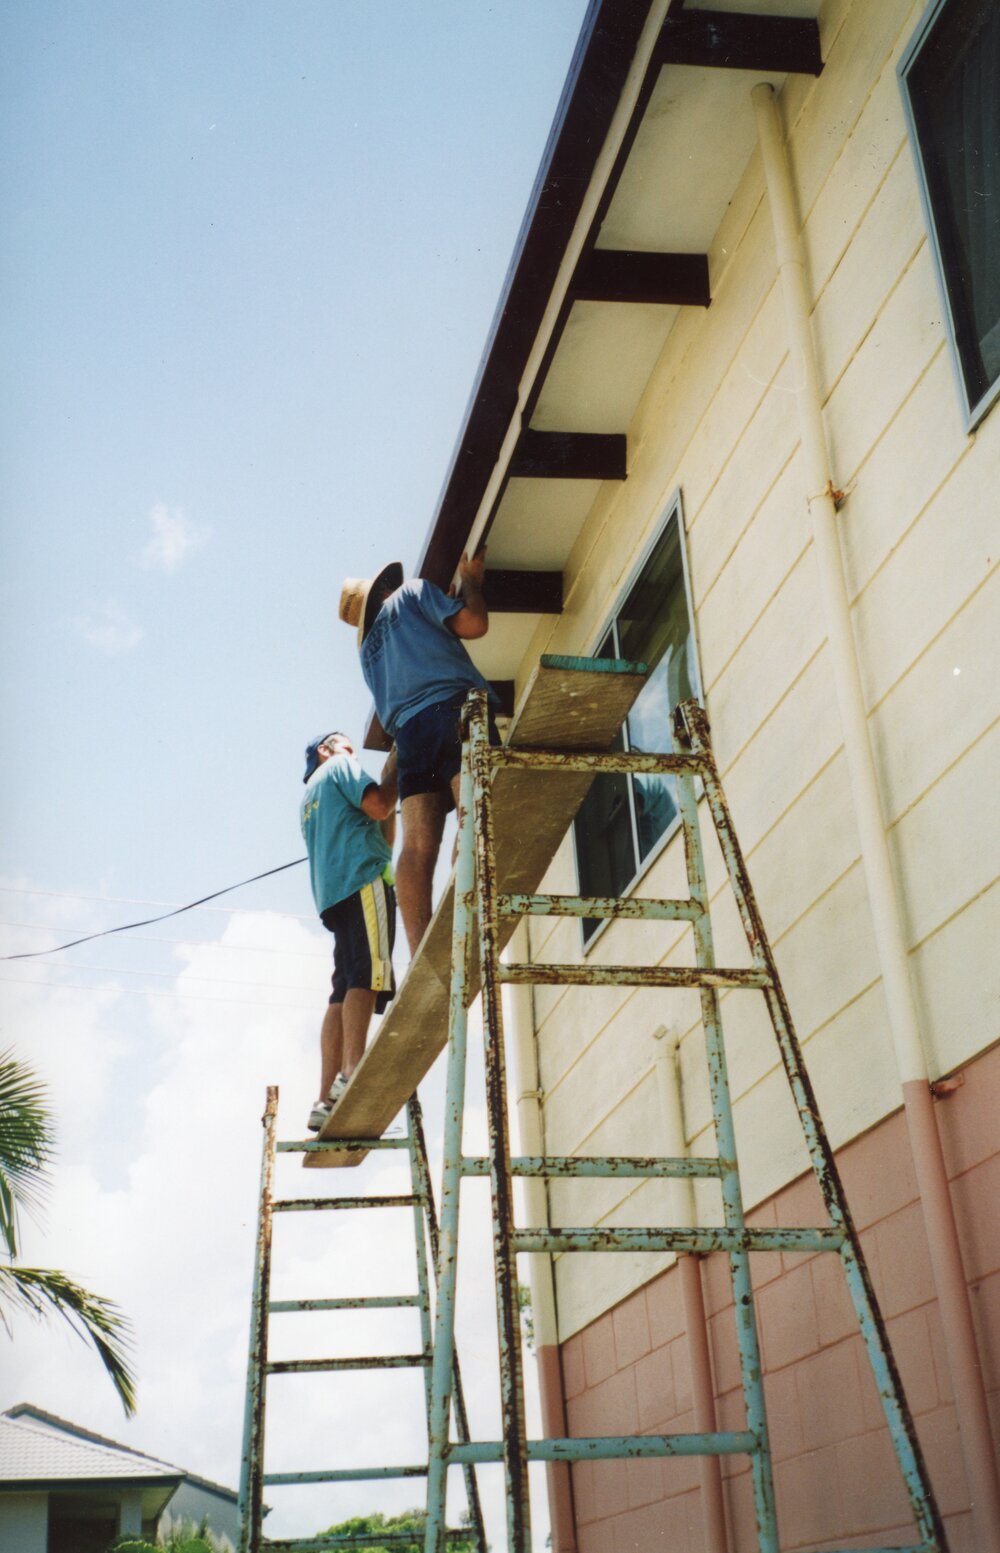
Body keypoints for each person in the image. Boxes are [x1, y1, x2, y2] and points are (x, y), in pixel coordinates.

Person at [338, 554, 499, 955]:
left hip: (409, 738)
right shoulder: (413, 592)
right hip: (454, 711)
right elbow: (473, 624)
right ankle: (471, 910)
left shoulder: (367, 655)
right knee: (472, 813)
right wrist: (471, 584)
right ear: (385, 589)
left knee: (416, 847)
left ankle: (420, 950)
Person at [300, 731, 398, 1132]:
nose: (352, 748)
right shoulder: (340, 767)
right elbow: (378, 807)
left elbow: (381, 829)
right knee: (367, 973)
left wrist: (387, 807)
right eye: (342, 742)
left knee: (341, 987)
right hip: (363, 879)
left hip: (332, 895)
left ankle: (324, 1099)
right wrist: (397, 773)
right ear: (325, 751)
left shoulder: (308, 800)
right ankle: (352, 1070)